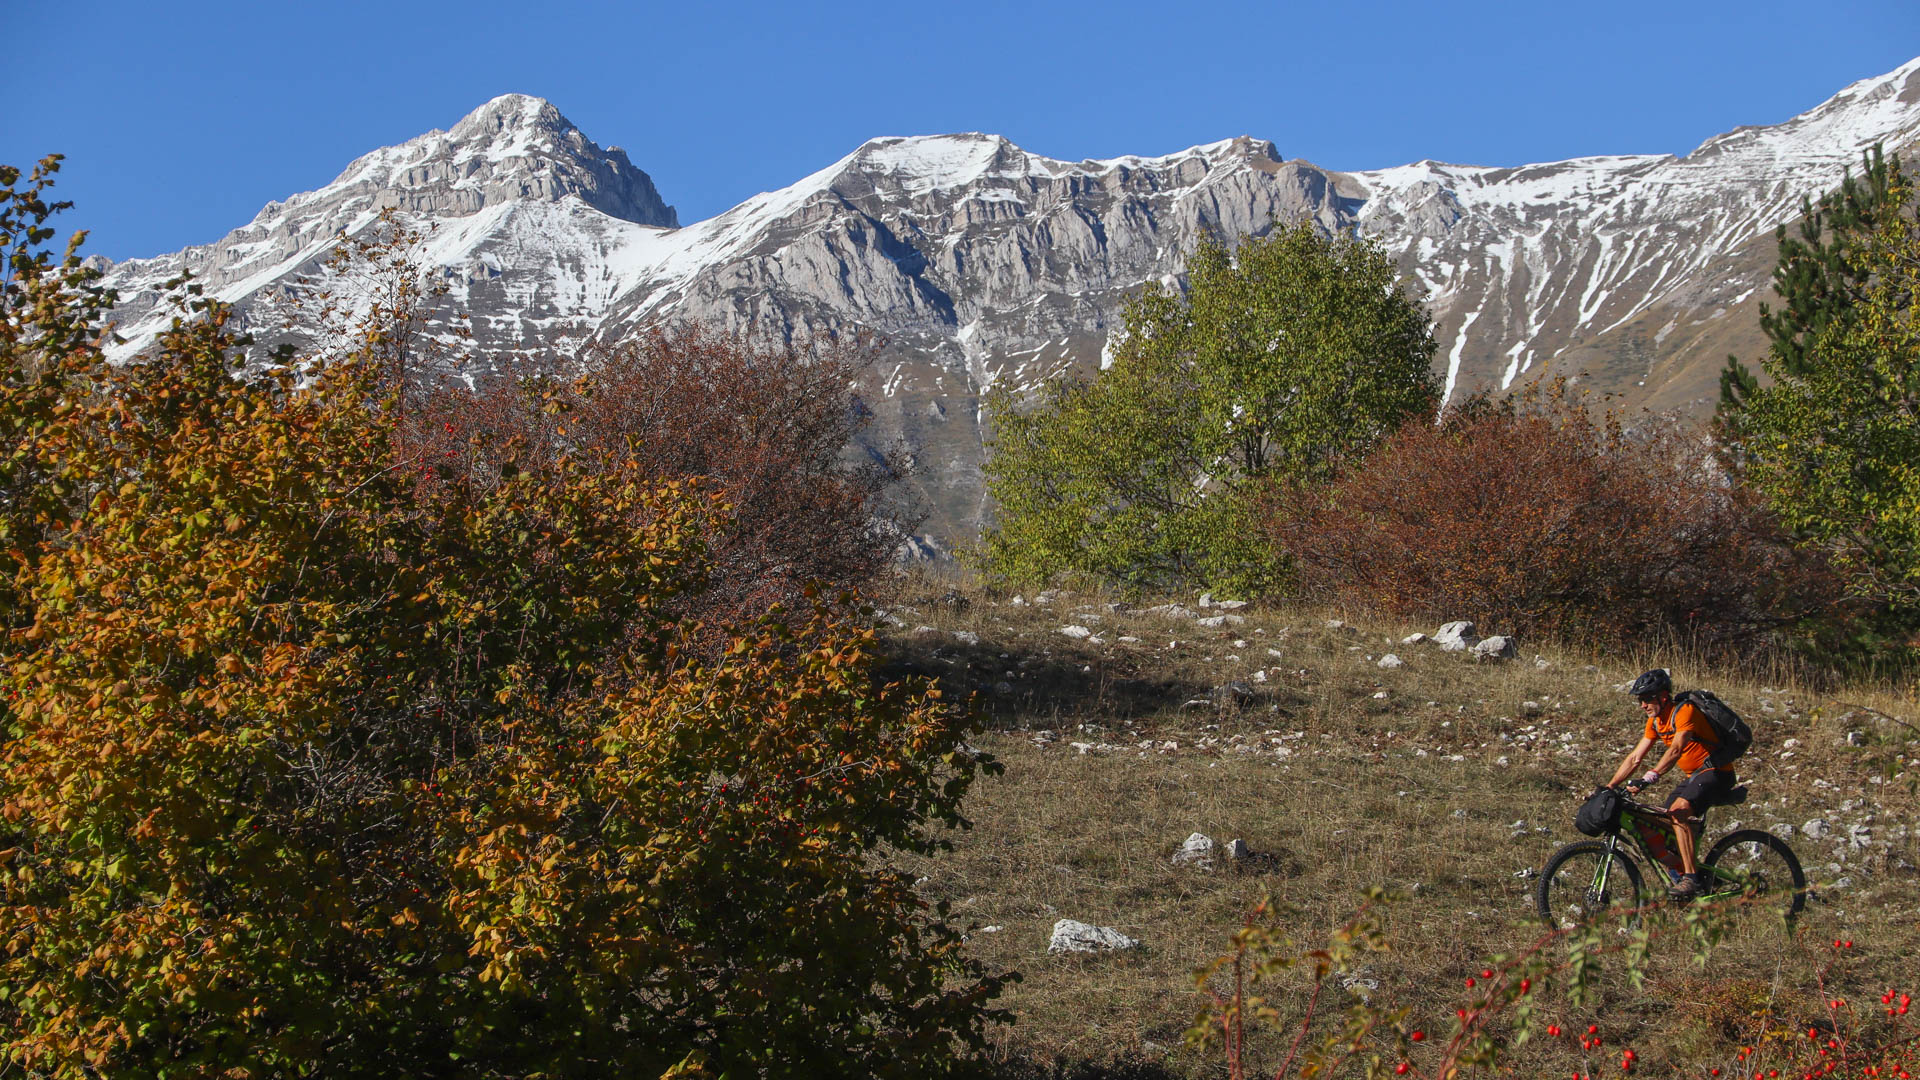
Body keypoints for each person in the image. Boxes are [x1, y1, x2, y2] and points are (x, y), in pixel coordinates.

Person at [1604, 669, 1737, 900]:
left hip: (1716, 773)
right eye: (1640, 700)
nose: (1643, 705)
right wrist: (1610, 786)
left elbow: (1676, 749)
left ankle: (1692, 880)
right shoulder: (1655, 722)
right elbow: (1635, 757)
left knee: (1678, 813)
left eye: (1646, 699)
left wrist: (1650, 777)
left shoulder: (1685, 711)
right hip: (1694, 778)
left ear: (1663, 696)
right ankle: (1688, 878)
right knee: (1661, 825)